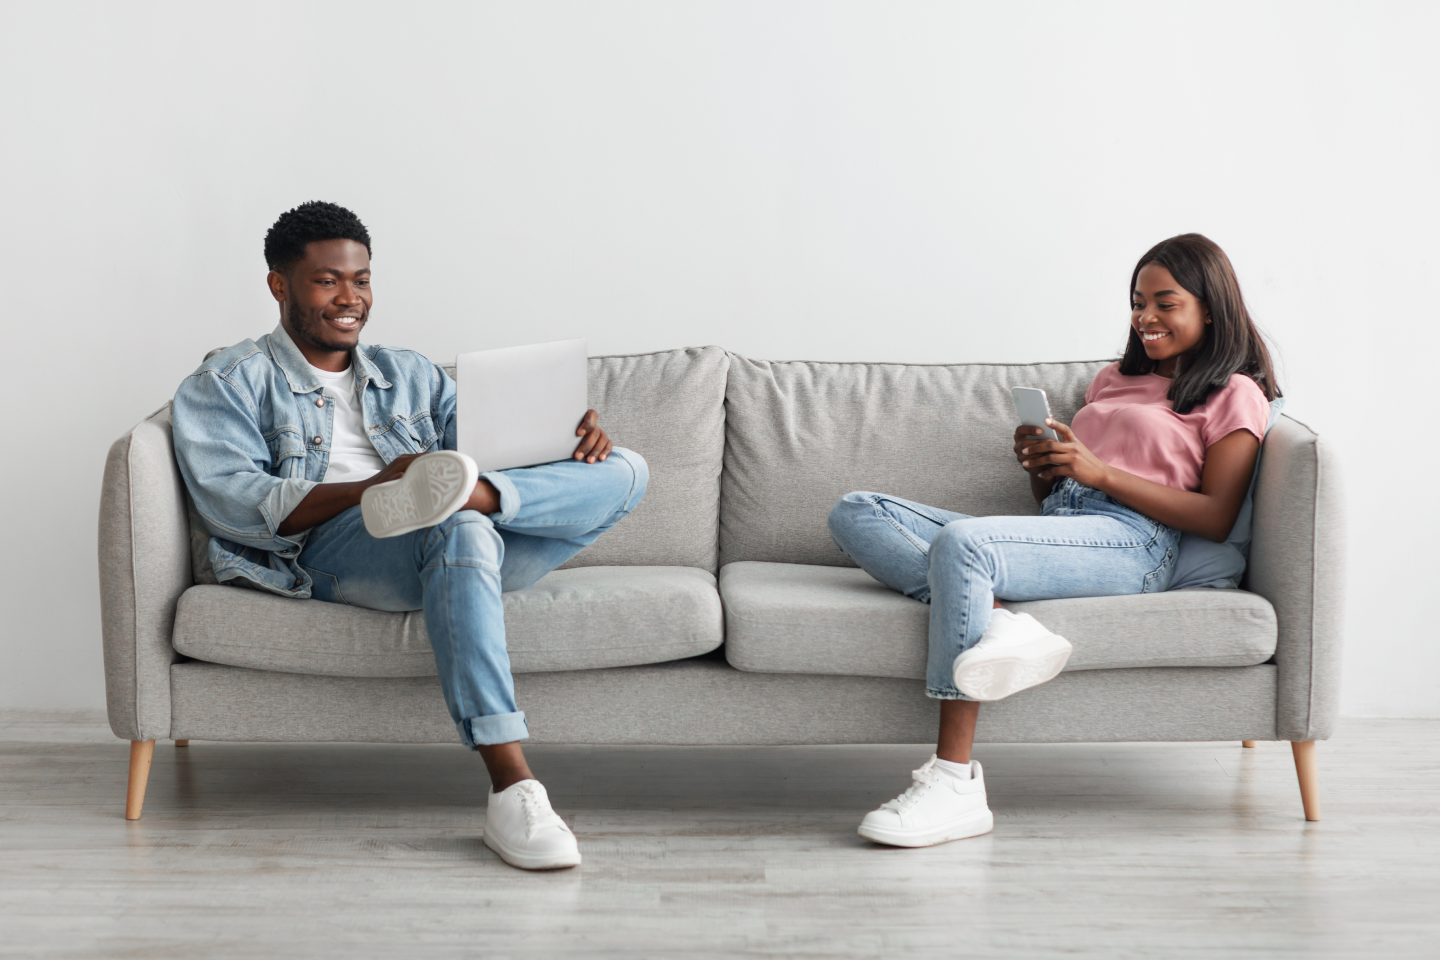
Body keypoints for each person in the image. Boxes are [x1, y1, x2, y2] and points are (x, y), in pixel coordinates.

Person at [171, 201, 648, 870]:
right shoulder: (227, 380)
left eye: (361, 279)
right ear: (279, 285)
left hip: (461, 535)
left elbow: (482, 446)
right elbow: (240, 503)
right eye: (327, 280)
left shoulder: (412, 373)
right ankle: (514, 786)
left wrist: (568, 447)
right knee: (455, 527)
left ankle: (485, 501)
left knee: (627, 467)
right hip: (337, 547)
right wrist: (377, 489)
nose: (350, 298)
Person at [827, 233, 1278, 848]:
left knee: (964, 544)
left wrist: (1101, 472)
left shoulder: (1234, 393)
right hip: (1065, 522)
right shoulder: (1113, 379)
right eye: (1137, 301)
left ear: (1210, 307)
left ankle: (954, 782)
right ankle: (995, 618)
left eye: (1164, 303)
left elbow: (1217, 515)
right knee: (857, 510)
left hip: (1136, 542)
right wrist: (1046, 465)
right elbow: (1049, 502)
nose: (1145, 317)